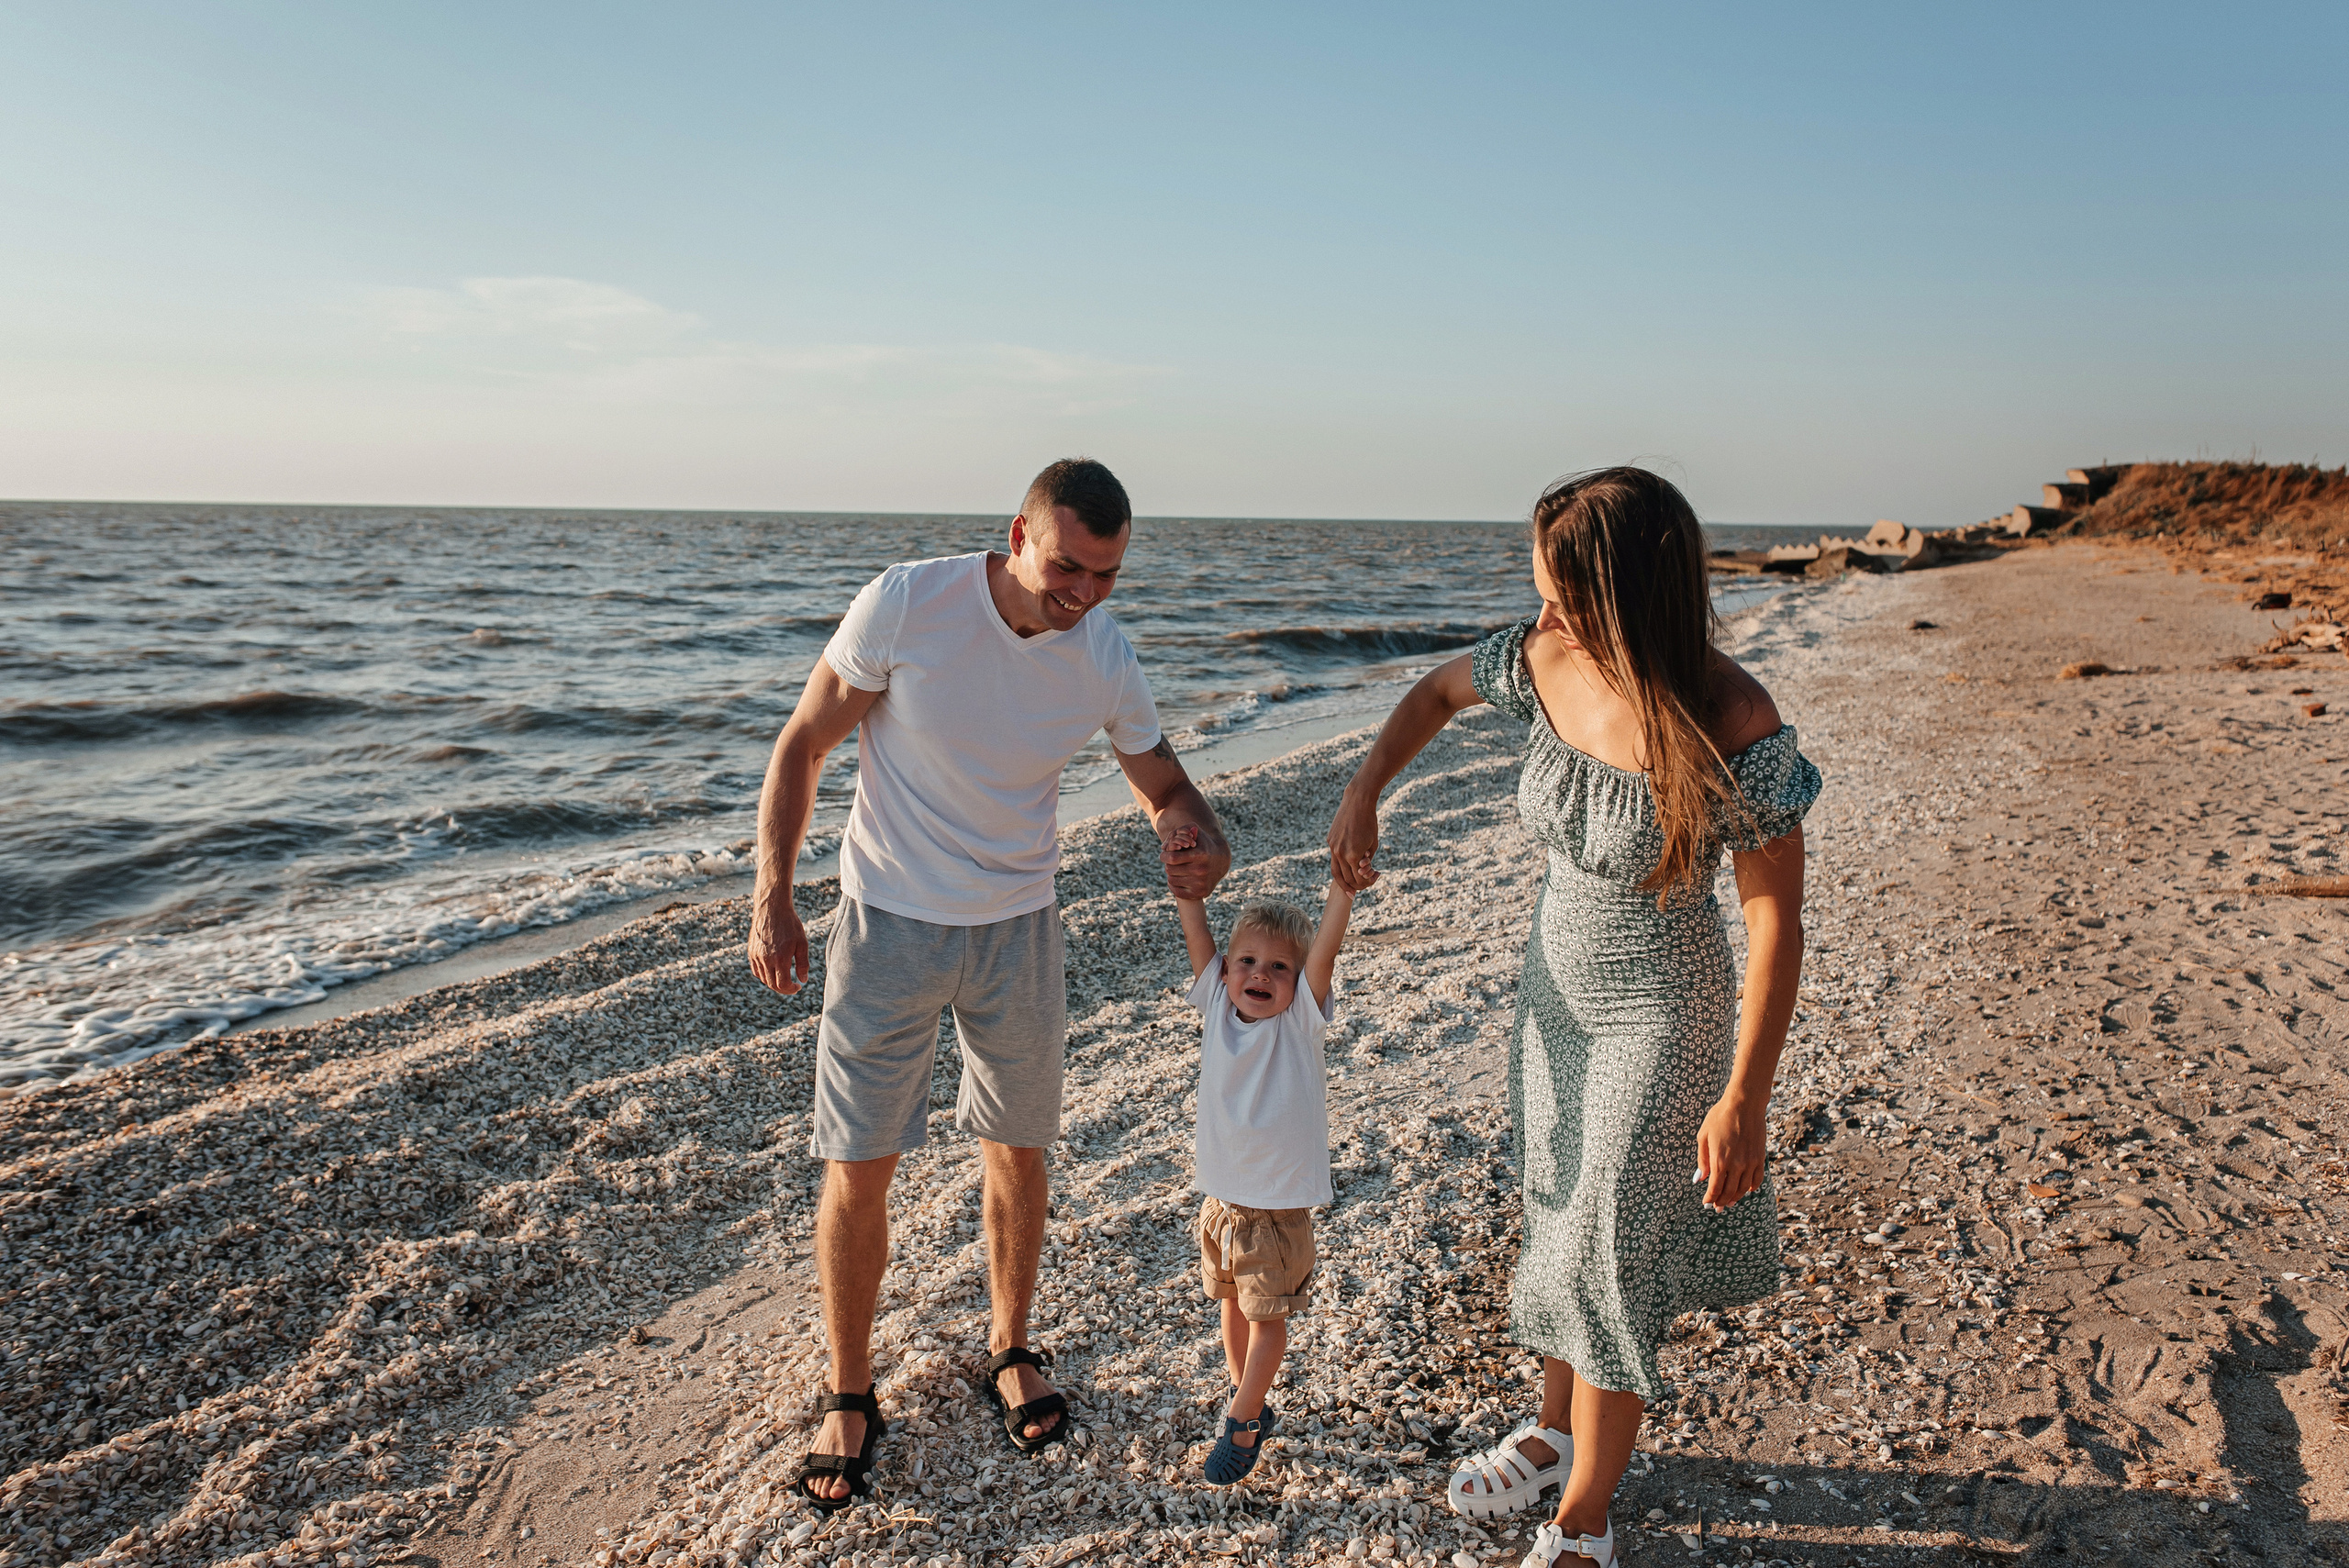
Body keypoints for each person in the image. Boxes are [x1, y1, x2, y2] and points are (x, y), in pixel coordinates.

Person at [1326, 468, 1818, 1567]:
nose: (1542, 611)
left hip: (1665, 1010)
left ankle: (1583, 1520)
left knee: (1607, 1249)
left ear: (1631, 592)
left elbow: (1775, 925)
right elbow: (1429, 697)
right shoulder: (1542, 657)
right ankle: (1553, 1436)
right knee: (1557, 1211)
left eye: (1565, 592)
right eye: (1540, 587)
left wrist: (1745, 1092)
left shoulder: (1731, 715)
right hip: (1551, 992)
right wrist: (1366, 788)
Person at [748, 458, 1232, 1513]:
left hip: (1019, 928)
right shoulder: (910, 601)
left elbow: (1164, 781)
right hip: (888, 925)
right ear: (1015, 534)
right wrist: (773, 890)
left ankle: (1010, 1344)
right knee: (859, 1159)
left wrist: (1196, 834)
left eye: (1106, 575)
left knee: (1019, 1145)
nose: (1083, 594)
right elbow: (805, 739)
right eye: (1067, 567)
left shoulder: (1101, 648)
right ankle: (848, 1387)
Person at [1167, 835, 1352, 1485]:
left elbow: (1325, 945)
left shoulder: (1299, 1020)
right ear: (1224, 970)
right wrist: (1189, 887)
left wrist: (1343, 889)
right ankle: (1248, 1398)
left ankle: (1243, 1417)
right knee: (1231, 1305)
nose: (1259, 975)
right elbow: (1197, 925)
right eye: (1246, 960)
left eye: (1279, 967)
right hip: (1220, 1202)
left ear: (1300, 983)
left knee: (1266, 1320)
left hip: (1275, 1212)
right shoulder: (1217, 1003)